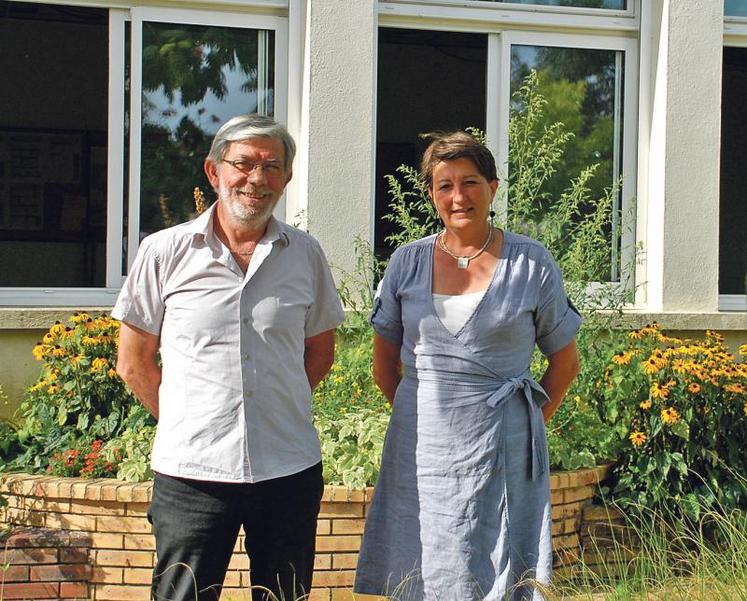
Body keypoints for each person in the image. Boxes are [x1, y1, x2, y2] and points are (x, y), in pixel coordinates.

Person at [112, 114, 345, 601]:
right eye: (243, 164)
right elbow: (133, 362)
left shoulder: (305, 254)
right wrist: (188, 417)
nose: (256, 179)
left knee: (284, 596)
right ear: (214, 171)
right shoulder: (163, 252)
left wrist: (272, 406)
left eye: (271, 167)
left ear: (285, 178)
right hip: (191, 472)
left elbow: (319, 353)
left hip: (287, 467)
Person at [354, 131, 581, 600]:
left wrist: (528, 423)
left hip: (504, 440)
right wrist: (429, 414)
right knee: (424, 558)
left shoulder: (531, 263)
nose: (458, 197)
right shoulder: (405, 263)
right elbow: (384, 366)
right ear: (432, 193)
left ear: (493, 188)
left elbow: (565, 361)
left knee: (500, 559)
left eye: (471, 182)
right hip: (422, 447)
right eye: (444, 185)